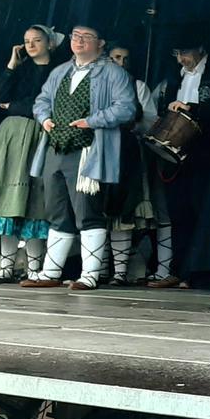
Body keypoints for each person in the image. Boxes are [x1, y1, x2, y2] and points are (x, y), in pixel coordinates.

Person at [22, 23, 136, 290]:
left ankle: (90, 275)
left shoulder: (113, 73)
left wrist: (93, 120)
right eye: (76, 36)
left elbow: (127, 108)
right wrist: (45, 118)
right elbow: (41, 101)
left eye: (87, 37)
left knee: (87, 211)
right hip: (56, 147)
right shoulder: (60, 71)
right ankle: (51, 272)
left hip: (89, 150)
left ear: (101, 43)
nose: (80, 41)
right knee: (57, 210)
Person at [149, 34, 210, 288]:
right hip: (177, 154)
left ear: (199, 48)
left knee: (203, 211)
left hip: (207, 153)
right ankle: (178, 269)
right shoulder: (175, 77)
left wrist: (191, 109)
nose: (180, 59)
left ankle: (203, 272)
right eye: (176, 54)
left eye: (184, 53)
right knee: (179, 211)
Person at [0, 25, 63, 283]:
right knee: (7, 198)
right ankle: (6, 267)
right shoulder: (21, 69)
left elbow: (46, 104)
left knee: (34, 200)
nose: (30, 45)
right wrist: (11, 65)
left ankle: (34, 268)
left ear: (49, 43)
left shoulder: (59, 71)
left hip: (39, 134)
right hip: (12, 136)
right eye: (26, 41)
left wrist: (13, 106)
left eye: (36, 40)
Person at [104, 43, 163, 286]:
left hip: (128, 152)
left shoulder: (138, 86)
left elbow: (150, 123)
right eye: (116, 57)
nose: (121, 62)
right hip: (100, 150)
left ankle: (119, 272)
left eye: (125, 58)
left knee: (123, 211)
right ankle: (96, 269)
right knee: (98, 212)